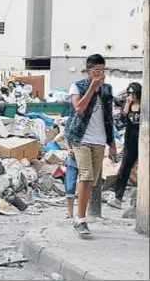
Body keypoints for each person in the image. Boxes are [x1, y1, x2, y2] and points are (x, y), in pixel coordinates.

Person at [64, 54, 117, 236]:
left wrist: (112, 143)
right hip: (80, 138)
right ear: (88, 71)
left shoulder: (107, 89)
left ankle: (79, 216)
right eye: (97, 72)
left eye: (103, 72)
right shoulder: (78, 86)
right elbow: (78, 108)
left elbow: (109, 117)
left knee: (91, 182)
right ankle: (80, 219)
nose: (100, 75)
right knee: (85, 177)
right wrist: (92, 88)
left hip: (99, 140)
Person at [108, 82, 141, 209]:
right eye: (129, 93)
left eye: (133, 93)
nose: (131, 95)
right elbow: (121, 122)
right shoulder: (127, 105)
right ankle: (118, 198)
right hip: (130, 139)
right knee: (125, 167)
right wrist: (127, 105)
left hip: (142, 139)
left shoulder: (144, 105)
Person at [65, 144, 79, 219]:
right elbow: (66, 136)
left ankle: (81, 214)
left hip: (86, 159)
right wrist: (69, 149)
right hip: (73, 159)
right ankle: (70, 213)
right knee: (70, 187)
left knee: (86, 185)